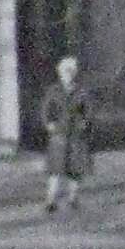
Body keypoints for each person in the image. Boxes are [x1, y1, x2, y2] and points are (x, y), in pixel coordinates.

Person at [40, 56, 92, 214]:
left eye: (71, 71)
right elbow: (45, 110)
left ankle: (73, 198)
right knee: (56, 169)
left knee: (75, 169)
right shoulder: (53, 91)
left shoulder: (81, 91)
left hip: (76, 134)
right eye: (65, 71)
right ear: (60, 72)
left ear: (74, 73)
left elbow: (88, 111)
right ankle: (50, 200)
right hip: (59, 134)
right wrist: (49, 124)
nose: (68, 74)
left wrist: (84, 123)